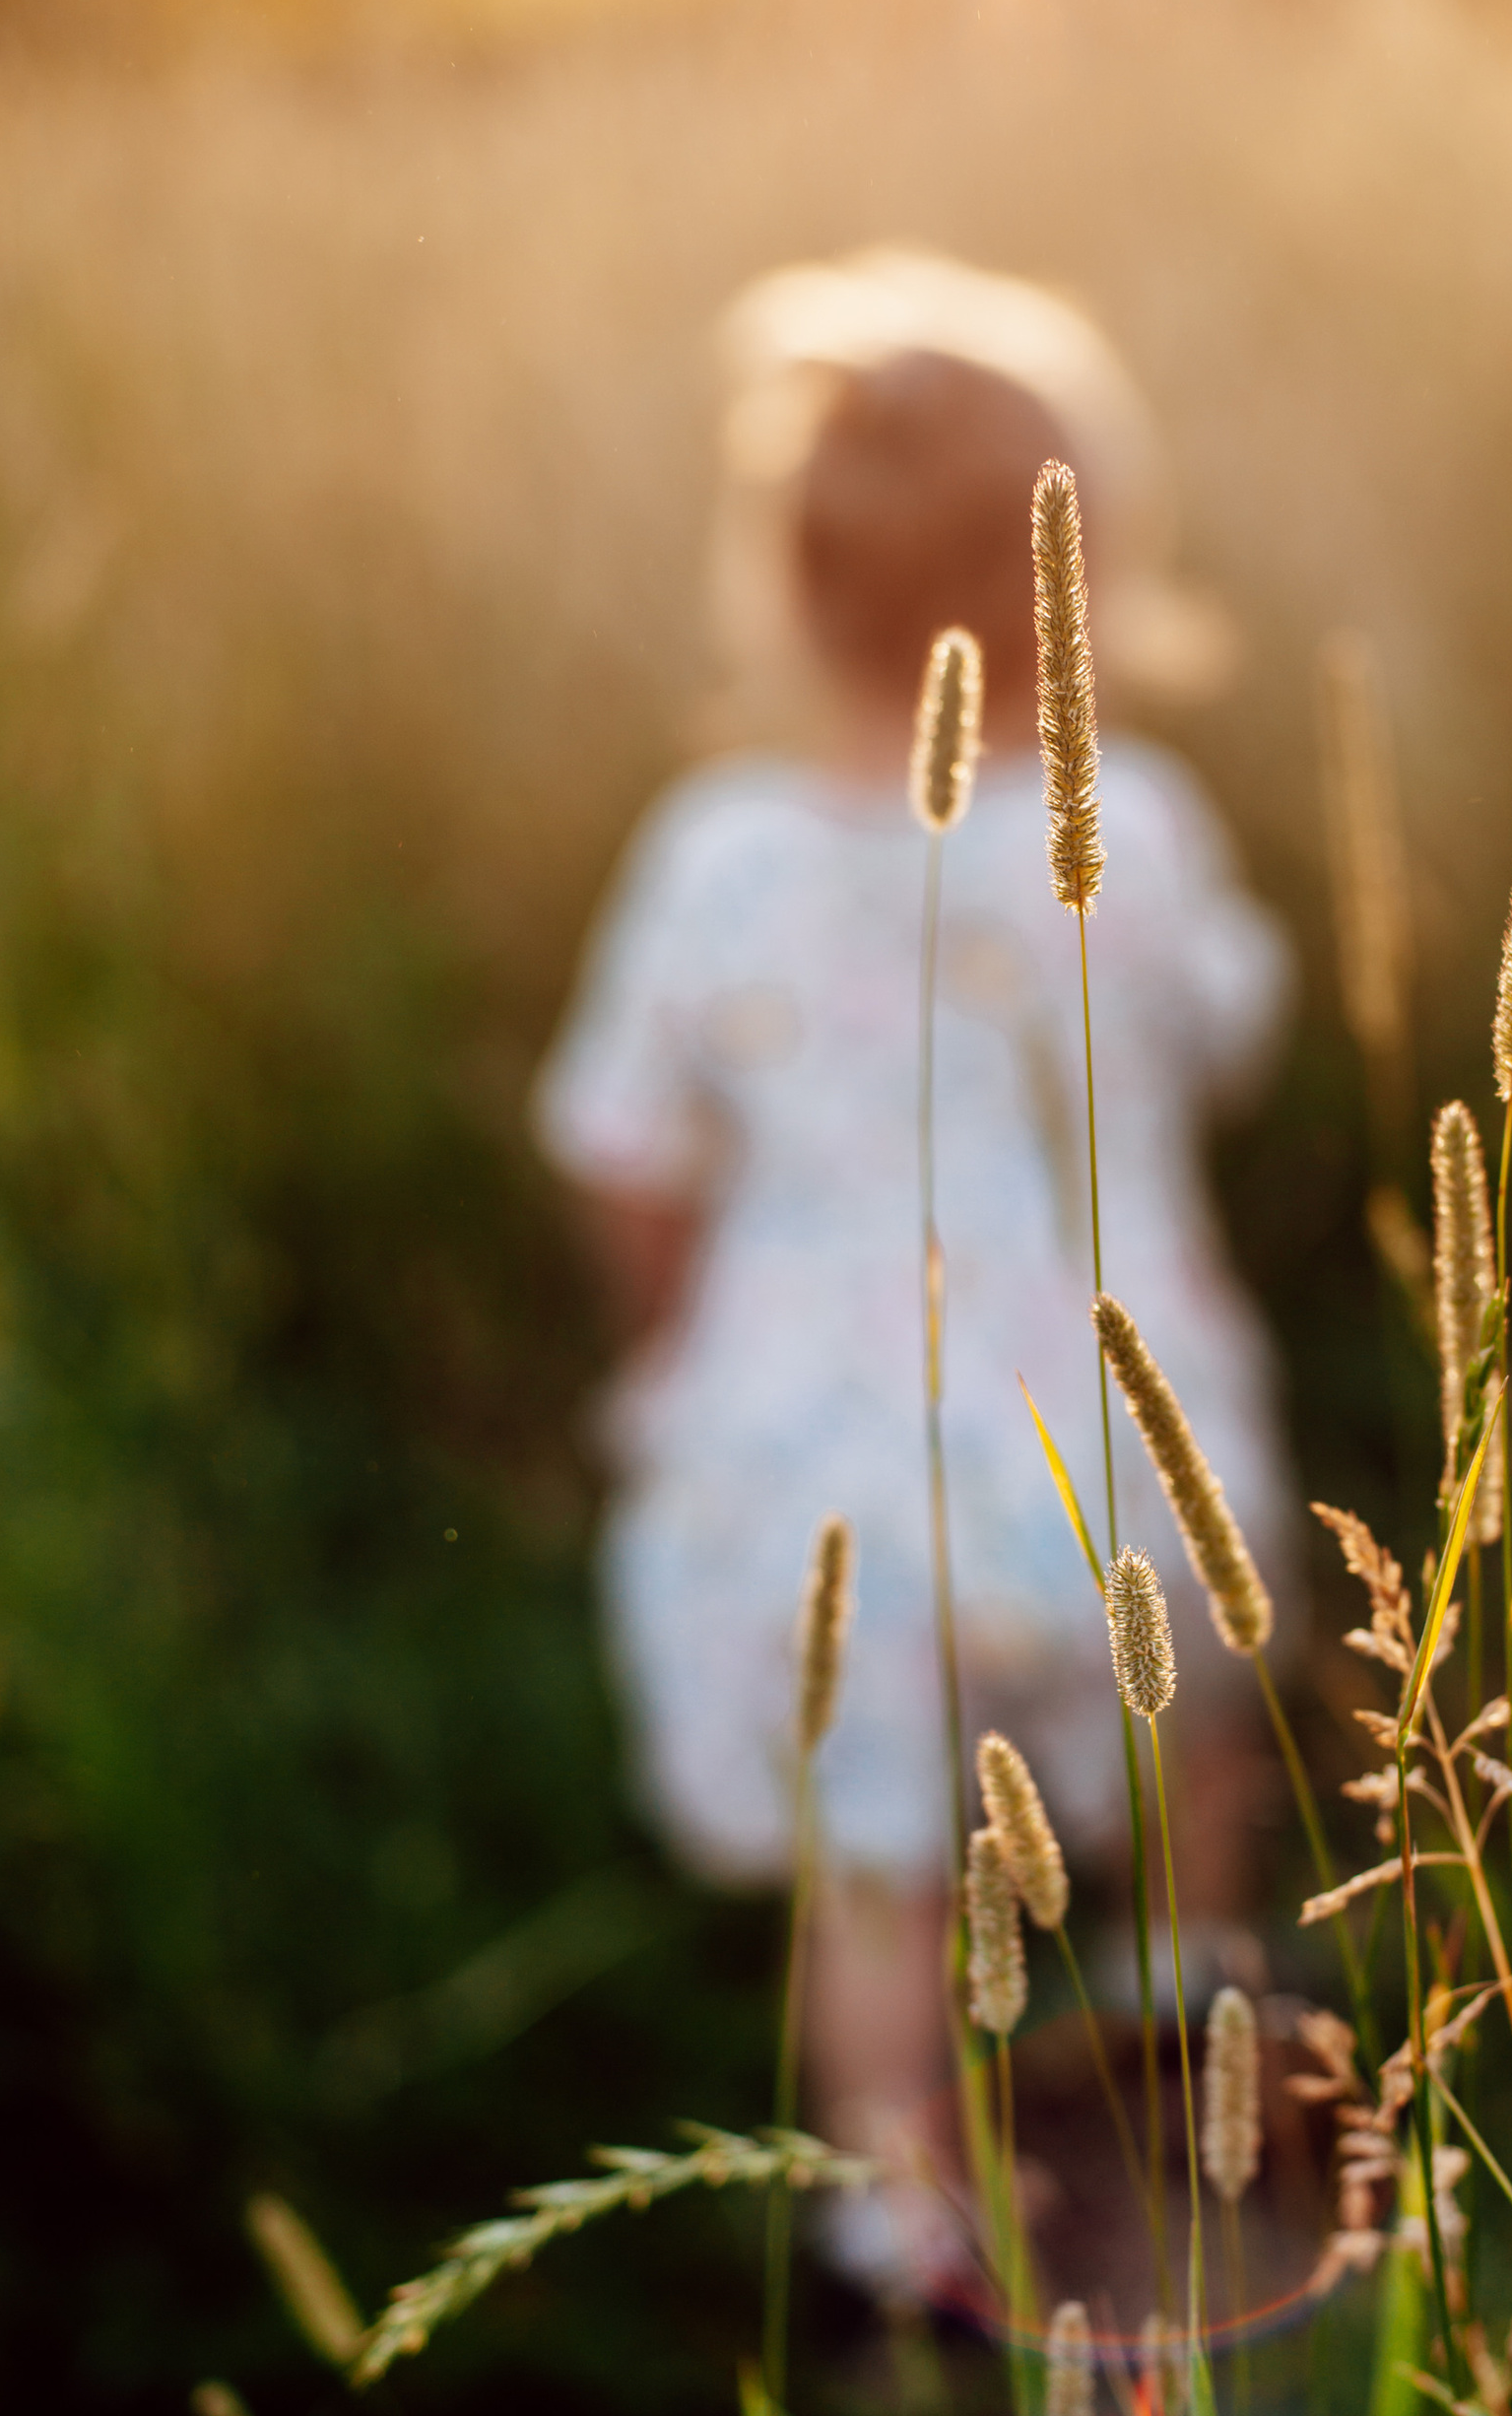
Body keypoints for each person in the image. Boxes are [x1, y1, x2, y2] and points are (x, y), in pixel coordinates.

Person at [532, 249, 1293, 2291]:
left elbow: (617, 1145)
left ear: (782, 588)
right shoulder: (1134, 830)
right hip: (1106, 1440)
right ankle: (1172, 2067)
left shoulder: (720, 860)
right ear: (1093, 577)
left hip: (824, 1475)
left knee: (877, 1871)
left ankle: (902, 2221)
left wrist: (671, 1322)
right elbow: (1228, 1033)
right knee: (1193, 1742)